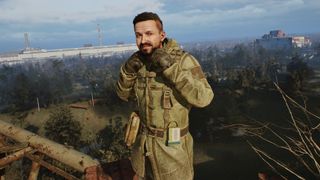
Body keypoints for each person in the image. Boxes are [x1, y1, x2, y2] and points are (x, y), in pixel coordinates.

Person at [116, 12, 214, 180]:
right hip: (144, 149)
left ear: (162, 35)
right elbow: (123, 95)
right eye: (138, 35)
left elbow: (204, 98)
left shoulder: (183, 61)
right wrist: (127, 71)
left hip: (173, 151)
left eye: (148, 33)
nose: (142, 40)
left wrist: (171, 69)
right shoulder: (138, 63)